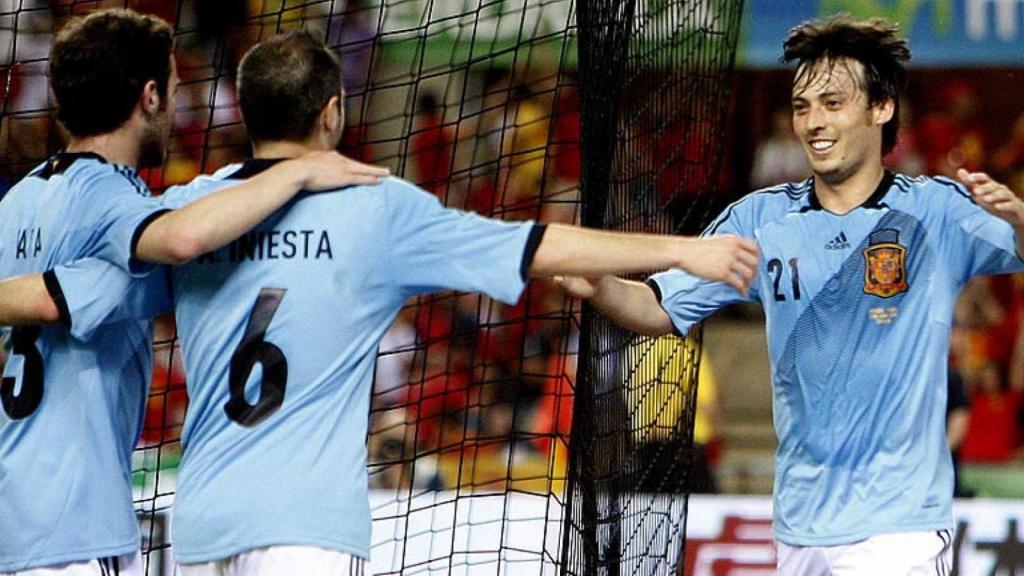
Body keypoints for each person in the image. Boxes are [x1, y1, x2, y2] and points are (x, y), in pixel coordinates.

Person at [0, 30, 759, 575]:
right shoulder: (376, 206)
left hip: (202, 525)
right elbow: (537, 246)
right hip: (307, 526)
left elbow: (62, 296)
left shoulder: (189, 217)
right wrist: (683, 250)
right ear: (332, 112)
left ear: (245, 111)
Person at [558, 15, 1024, 575]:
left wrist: (1019, 219)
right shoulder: (761, 218)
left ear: (882, 108)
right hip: (799, 522)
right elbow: (658, 308)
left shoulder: (936, 211)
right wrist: (601, 286)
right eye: (803, 107)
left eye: (832, 103)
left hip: (898, 526)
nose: (813, 122)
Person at [0, 10, 387, 576]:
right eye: (177, 88)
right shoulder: (120, 206)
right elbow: (180, 239)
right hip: (72, 523)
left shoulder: (16, 202)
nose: (180, 104)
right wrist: (297, 173)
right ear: (150, 96)